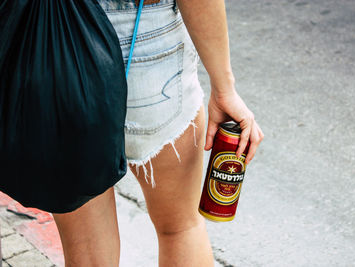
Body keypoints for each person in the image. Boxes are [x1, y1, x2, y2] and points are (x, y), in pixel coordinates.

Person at [52, 0, 263, 266]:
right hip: (145, 35)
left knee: (87, 252)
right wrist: (224, 88)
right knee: (180, 227)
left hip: (58, 38)